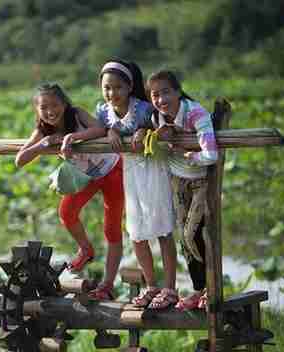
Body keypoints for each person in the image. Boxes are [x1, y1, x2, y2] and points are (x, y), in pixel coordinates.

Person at [15, 83, 123, 300]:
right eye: (44, 107)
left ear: (64, 104)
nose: (50, 111)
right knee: (67, 212)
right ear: (37, 110)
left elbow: (100, 129)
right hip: (86, 176)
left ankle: (107, 285)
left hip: (112, 169)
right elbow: (20, 160)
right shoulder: (43, 130)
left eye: (55, 105)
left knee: (111, 228)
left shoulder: (77, 114)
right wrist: (43, 144)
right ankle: (86, 250)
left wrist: (71, 137)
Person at [96, 60, 178, 309]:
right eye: (107, 88)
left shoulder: (143, 109)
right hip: (131, 173)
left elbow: (168, 130)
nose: (112, 93)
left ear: (131, 87)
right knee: (136, 231)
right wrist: (108, 132)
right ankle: (151, 286)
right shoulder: (103, 112)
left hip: (153, 168)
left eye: (118, 87)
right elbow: (100, 130)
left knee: (162, 228)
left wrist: (144, 130)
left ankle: (170, 289)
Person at [145, 70, 218, 310]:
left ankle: (211, 288)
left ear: (177, 91)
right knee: (185, 241)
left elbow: (210, 155)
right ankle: (199, 290)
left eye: (166, 92)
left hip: (200, 181)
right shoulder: (158, 118)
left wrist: (189, 153)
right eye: (155, 95)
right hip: (177, 180)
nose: (161, 99)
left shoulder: (197, 114)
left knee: (194, 234)